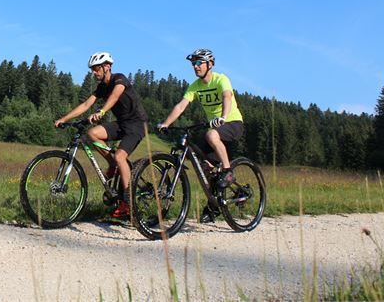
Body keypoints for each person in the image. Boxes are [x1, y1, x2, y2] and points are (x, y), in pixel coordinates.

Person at [55, 51, 148, 218]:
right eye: (92, 69)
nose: (94, 72)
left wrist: (102, 111)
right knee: (92, 133)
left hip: (137, 124)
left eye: (97, 68)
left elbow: (115, 95)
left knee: (120, 156)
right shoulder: (101, 87)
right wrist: (63, 118)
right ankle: (112, 164)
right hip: (121, 124)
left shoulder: (119, 79)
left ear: (107, 67)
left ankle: (128, 203)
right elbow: (85, 105)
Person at [157, 48, 244, 223]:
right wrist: (166, 123)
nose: (195, 67)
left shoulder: (221, 79)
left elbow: (227, 96)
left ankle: (227, 172)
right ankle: (213, 208)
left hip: (232, 122)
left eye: (199, 63)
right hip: (215, 127)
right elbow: (181, 106)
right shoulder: (195, 86)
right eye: (193, 64)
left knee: (211, 135)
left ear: (209, 64)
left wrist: (223, 117)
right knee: (205, 166)